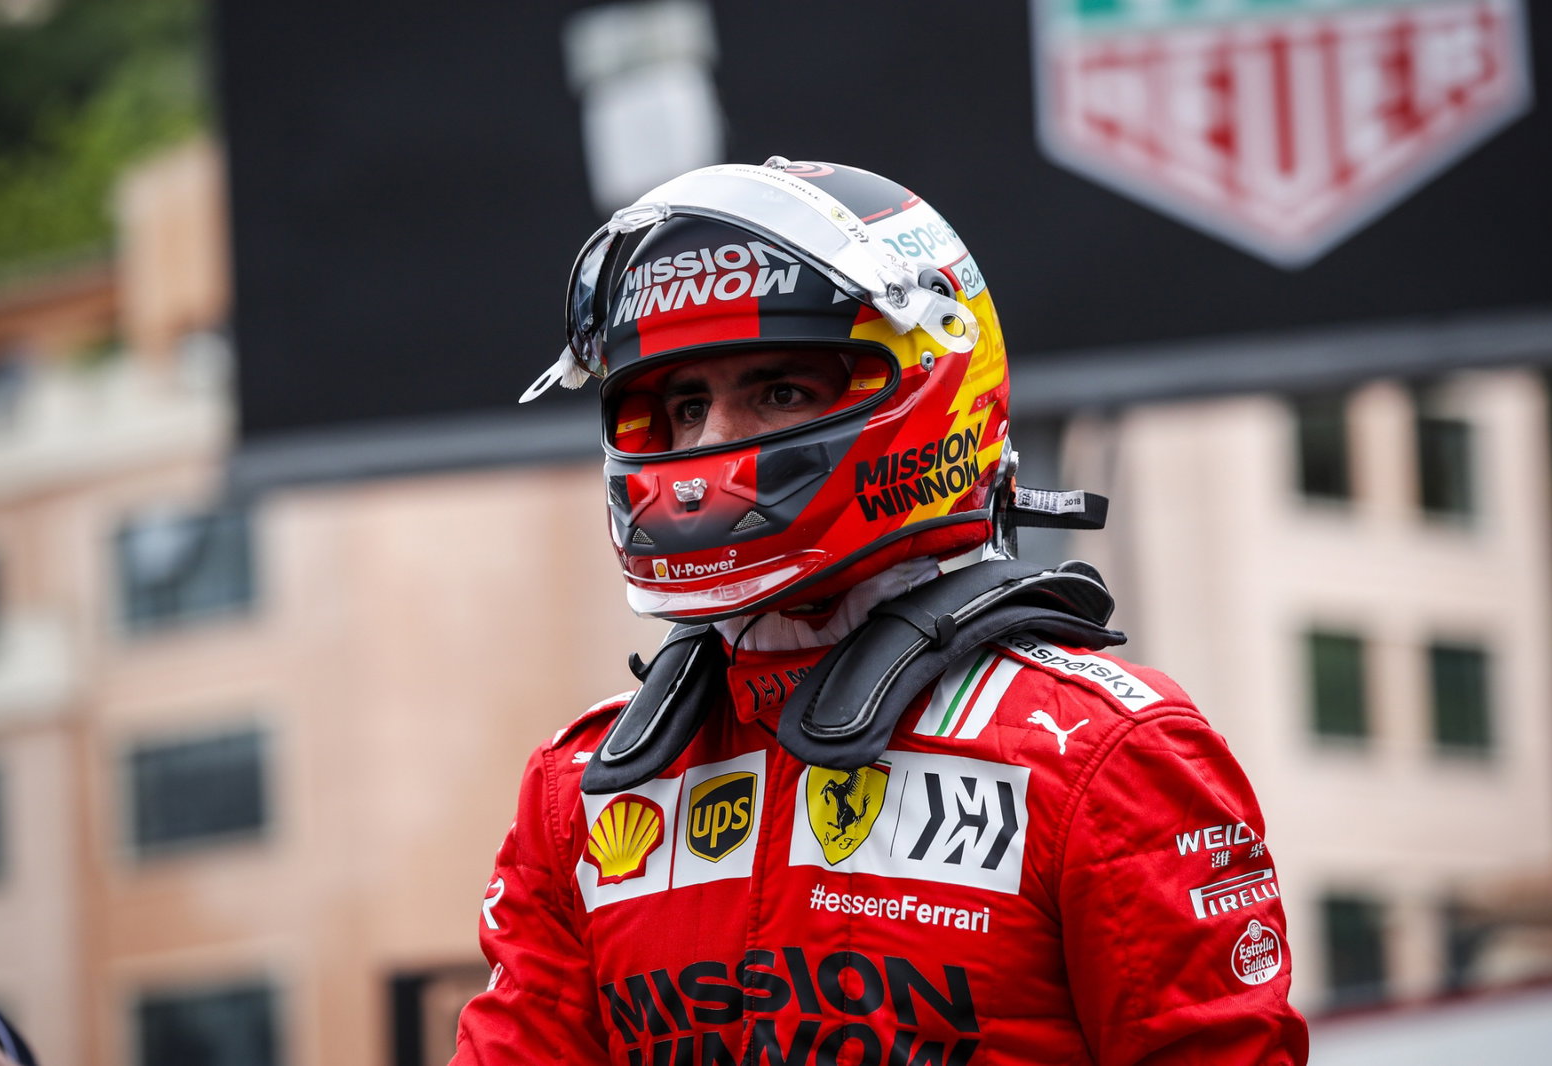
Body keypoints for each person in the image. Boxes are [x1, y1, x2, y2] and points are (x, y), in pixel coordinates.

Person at [451, 157, 1310, 1064]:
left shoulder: (1103, 756)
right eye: (685, 403)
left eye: (778, 391)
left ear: (930, 388)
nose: (708, 445)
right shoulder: (580, 789)